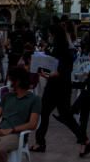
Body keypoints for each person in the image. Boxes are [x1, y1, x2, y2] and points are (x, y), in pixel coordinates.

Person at [31, 23, 75, 153]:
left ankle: (83, 139)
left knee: (61, 115)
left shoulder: (62, 51)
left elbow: (57, 72)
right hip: (57, 86)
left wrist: (43, 73)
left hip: (57, 87)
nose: (49, 37)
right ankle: (40, 142)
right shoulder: (61, 49)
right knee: (47, 113)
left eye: (51, 35)